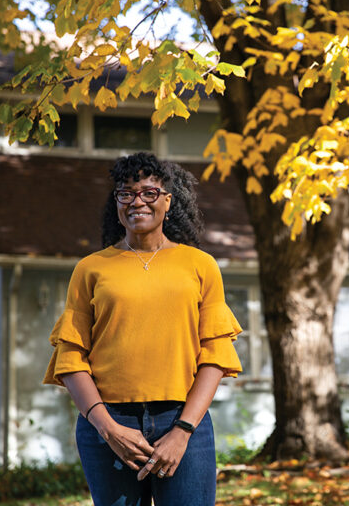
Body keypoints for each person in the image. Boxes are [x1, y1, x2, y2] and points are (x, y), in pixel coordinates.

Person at [43, 152, 242, 505]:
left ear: (167, 201)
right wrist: (108, 428)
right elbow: (71, 358)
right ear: (117, 202)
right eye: (126, 193)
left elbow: (215, 355)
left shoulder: (200, 265)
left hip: (183, 421)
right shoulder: (90, 269)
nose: (137, 201)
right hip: (108, 421)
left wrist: (182, 431)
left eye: (149, 192)